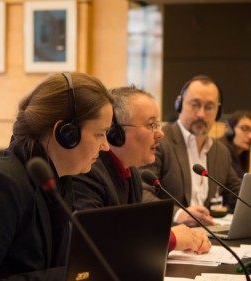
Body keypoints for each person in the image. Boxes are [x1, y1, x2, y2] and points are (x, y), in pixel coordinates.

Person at [0, 72, 113, 281]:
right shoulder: (0, 185)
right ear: (66, 133)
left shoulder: (59, 181)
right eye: (99, 133)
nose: (106, 146)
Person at [73, 85, 211, 254]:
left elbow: (133, 233)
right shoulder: (87, 172)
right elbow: (95, 244)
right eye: (151, 125)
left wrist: (187, 236)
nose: (160, 133)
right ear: (115, 133)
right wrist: (170, 239)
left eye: (158, 124)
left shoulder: (133, 175)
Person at [141, 75, 241, 227]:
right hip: (169, 234)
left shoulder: (220, 151)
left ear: (218, 111)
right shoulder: (159, 142)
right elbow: (141, 193)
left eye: (209, 107)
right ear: (179, 104)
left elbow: (237, 194)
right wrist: (178, 214)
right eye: (194, 105)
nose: (201, 114)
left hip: (209, 236)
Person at [219, 110, 251, 178]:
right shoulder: (218, 152)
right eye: (245, 128)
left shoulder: (241, 157)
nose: (250, 136)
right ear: (229, 130)